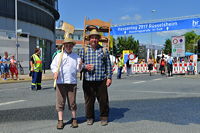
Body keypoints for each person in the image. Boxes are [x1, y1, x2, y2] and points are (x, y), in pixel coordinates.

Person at [79, 29, 112, 126]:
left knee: (103, 100)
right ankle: (90, 117)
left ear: (99, 39)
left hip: (101, 79)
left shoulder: (104, 50)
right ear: (89, 39)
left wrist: (109, 77)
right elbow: (79, 65)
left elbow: (108, 65)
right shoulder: (83, 50)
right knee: (89, 100)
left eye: (96, 38)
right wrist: (85, 66)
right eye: (92, 37)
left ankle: (104, 117)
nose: (94, 40)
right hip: (88, 80)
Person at [51, 38, 82, 129]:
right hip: (60, 82)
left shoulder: (76, 56)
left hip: (72, 82)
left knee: (72, 102)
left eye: (70, 45)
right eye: (67, 45)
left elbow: (78, 69)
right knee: (60, 102)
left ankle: (74, 119)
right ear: (64, 46)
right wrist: (55, 72)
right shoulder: (58, 56)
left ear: (73, 46)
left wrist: (80, 65)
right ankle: (60, 121)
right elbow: (53, 66)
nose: (68, 47)